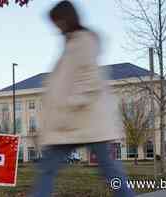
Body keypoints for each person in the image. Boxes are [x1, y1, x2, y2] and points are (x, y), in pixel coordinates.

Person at [31, 1, 135, 197]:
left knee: (110, 171)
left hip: (87, 121)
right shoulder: (71, 44)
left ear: (67, 18)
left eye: (57, 21)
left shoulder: (84, 42)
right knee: (47, 169)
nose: (56, 27)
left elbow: (91, 81)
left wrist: (68, 104)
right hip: (68, 125)